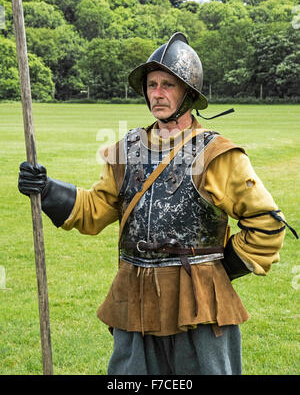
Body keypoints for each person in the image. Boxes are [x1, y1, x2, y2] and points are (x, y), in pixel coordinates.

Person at [18, 32, 297, 376]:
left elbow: (267, 224)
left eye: (168, 84)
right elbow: (95, 210)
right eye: (152, 85)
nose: (158, 93)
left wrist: (217, 273)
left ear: (189, 94)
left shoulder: (217, 154)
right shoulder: (127, 149)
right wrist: (47, 189)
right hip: (134, 297)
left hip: (200, 304)